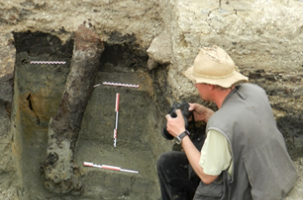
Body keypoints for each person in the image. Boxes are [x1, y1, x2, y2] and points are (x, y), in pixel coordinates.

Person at [157, 45, 298, 200]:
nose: (196, 85)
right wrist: (206, 115)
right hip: (277, 176)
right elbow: (238, 128)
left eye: (197, 81)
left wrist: (181, 134)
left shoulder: (220, 124)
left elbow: (207, 175)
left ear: (209, 85)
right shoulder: (253, 92)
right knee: (168, 162)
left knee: (202, 185)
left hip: (252, 192)